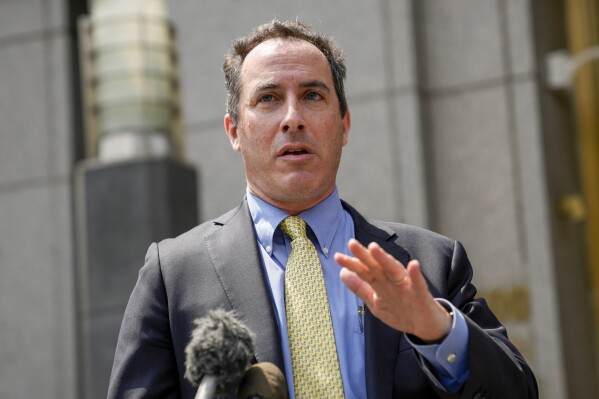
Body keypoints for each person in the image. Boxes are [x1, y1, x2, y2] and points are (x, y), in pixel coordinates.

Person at [108, 19, 538, 399]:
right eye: (269, 98)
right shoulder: (174, 275)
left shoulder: (430, 263)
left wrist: (438, 331)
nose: (292, 118)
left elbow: (518, 390)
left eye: (312, 96)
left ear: (344, 125)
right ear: (234, 131)